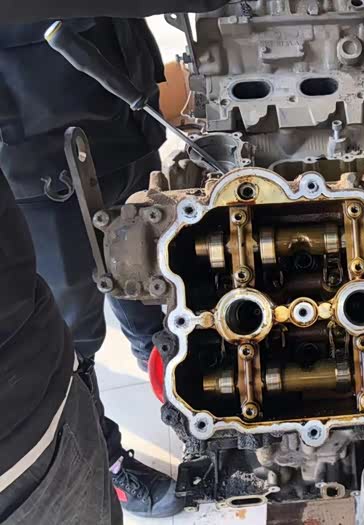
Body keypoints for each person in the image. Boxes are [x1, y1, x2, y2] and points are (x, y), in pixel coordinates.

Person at [0, 1, 227, 522]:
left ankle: (178, 388)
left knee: (153, 280)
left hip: (122, 110)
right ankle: (109, 459)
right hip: (37, 155)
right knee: (72, 337)